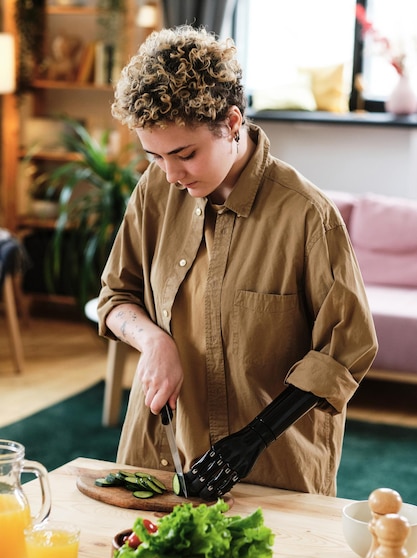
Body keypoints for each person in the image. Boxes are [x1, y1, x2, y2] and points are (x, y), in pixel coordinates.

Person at [97, 25, 377, 500]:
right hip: (160, 461)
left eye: (185, 154)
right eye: (154, 156)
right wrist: (154, 341)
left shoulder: (308, 216)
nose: (171, 174)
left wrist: (252, 439)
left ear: (231, 123)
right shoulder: (156, 188)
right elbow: (115, 297)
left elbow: (343, 351)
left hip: (272, 473)